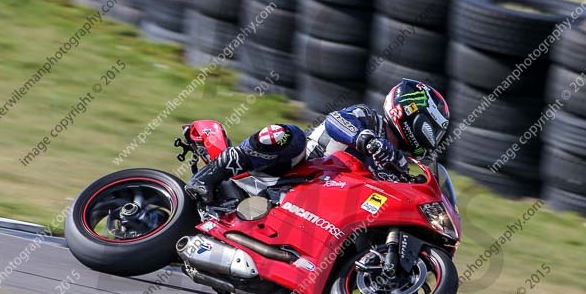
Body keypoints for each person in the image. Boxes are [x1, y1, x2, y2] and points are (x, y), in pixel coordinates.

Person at [184, 79, 450, 203]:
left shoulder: (399, 165)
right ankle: (209, 176)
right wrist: (364, 139)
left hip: (325, 207)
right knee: (289, 135)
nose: (433, 134)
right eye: (432, 125)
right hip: (294, 171)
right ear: (409, 111)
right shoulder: (368, 118)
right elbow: (335, 120)